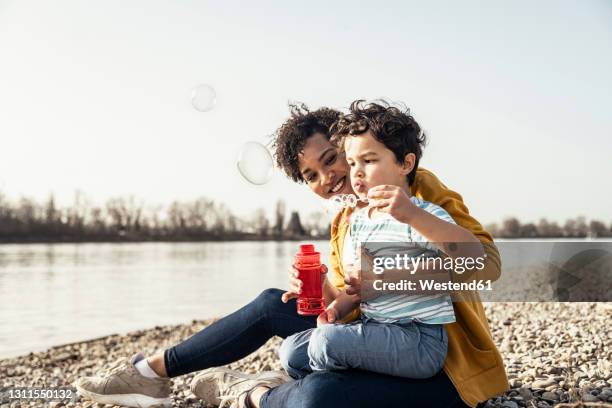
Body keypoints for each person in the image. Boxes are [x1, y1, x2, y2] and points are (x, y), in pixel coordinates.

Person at [75, 103, 508, 408]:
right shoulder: (345, 222)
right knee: (271, 303)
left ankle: (248, 393)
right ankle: (148, 374)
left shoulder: (412, 189)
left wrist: (392, 270)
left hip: (439, 358)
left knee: (322, 397)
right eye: (312, 176)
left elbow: (486, 265)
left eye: (332, 159)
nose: (332, 178)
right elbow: (355, 303)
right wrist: (323, 291)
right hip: (379, 337)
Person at [276, 100, 486, 382]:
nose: (356, 172)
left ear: (406, 163)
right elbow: (358, 289)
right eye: (352, 163)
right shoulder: (358, 223)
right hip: (376, 328)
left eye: (369, 161)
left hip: (419, 339)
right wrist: (334, 309)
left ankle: (323, 385)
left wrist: (410, 216)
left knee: (325, 344)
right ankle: (335, 381)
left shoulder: (419, 214)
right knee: (291, 351)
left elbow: (474, 260)